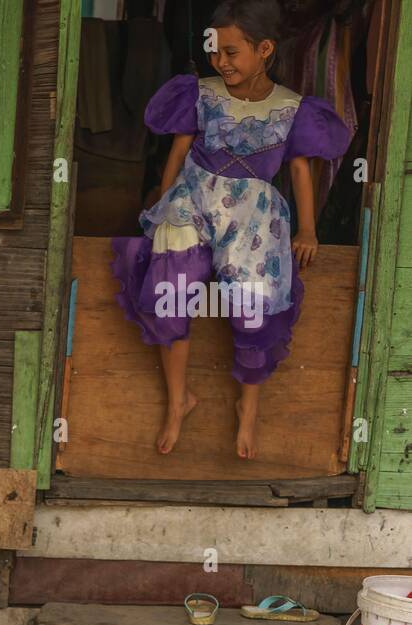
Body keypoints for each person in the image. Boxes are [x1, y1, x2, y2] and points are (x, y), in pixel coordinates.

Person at [111, 0, 353, 458]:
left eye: (231, 52)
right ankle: (179, 397)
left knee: (254, 305)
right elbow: (178, 155)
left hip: (254, 217)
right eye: (215, 50)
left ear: (264, 49)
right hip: (195, 200)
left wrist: (308, 230)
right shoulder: (200, 93)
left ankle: (248, 406)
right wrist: (164, 205)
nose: (220, 61)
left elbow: (299, 172)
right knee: (170, 288)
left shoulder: (291, 107)